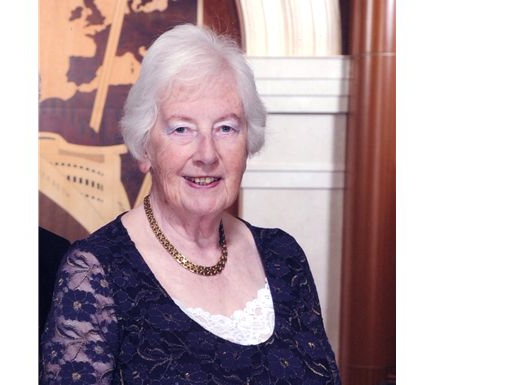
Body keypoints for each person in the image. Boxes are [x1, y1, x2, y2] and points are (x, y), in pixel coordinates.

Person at [40, 24, 340, 385]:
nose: (207, 154)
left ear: (248, 142)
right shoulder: (95, 272)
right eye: (182, 129)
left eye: (226, 128)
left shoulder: (284, 256)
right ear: (145, 146)